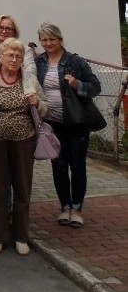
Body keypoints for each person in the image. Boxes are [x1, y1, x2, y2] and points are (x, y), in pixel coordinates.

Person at [0, 38, 46, 257]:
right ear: (0, 57)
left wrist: (38, 103)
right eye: (10, 55)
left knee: (23, 188)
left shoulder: (30, 79)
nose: (14, 59)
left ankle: (21, 236)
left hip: (24, 140)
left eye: (18, 56)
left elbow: (45, 109)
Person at [36, 22, 102, 228]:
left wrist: (77, 84)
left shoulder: (75, 61)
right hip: (52, 123)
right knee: (59, 165)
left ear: (60, 40)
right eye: (44, 40)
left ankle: (77, 208)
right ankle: (64, 207)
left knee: (77, 165)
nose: (48, 43)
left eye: (51, 39)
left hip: (75, 122)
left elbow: (95, 86)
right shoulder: (39, 62)